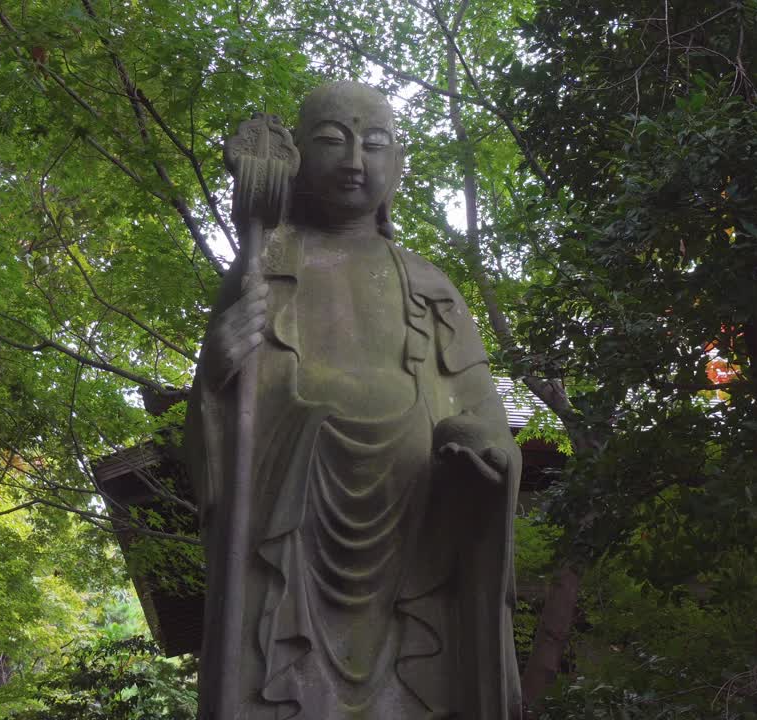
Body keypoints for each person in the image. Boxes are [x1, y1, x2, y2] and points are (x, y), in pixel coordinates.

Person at [186, 80, 522, 719]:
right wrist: (217, 367)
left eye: (374, 143)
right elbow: (215, 435)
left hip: (416, 549)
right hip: (289, 543)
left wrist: (484, 452)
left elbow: (486, 417)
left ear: (399, 163)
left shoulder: (431, 288)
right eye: (332, 140)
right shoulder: (263, 270)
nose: (354, 160)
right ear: (297, 159)